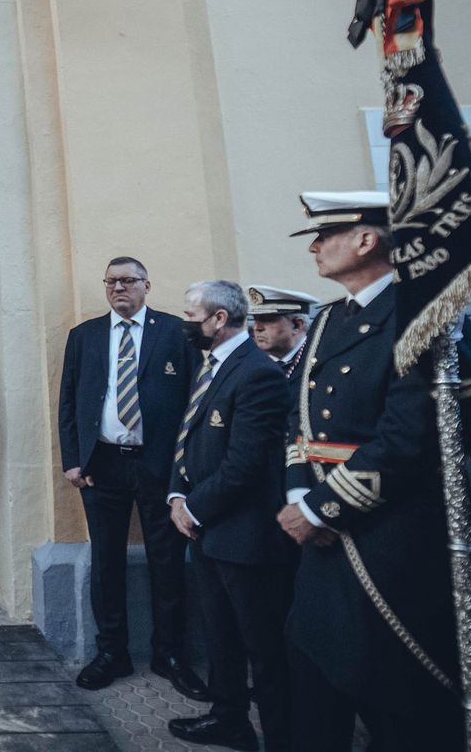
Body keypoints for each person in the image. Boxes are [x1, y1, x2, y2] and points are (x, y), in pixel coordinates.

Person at [277, 192, 461, 752]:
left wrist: (321, 508)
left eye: (323, 236)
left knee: (394, 693)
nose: (313, 247)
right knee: (313, 681)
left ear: (365, 239)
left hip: (386, 536)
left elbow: (407, 439)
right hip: (319, 532)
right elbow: (297, 419)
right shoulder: (330, 318)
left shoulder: (420, 310)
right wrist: (297, 494)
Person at [57, 255, 207, 698]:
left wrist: (185, 468)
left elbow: (196, 402)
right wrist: (72, 459)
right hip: (101, 466)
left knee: (167, 562)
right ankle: (111, 652)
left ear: (147, 285)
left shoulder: (177, 334)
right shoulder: (84, 336)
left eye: (128, 281)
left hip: (159, 465)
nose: (119, 288)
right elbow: (68, 402)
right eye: (111, 282)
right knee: (107, 562)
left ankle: (169, 653)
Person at [166, 281, 294, 752]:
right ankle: (229, 720)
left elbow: (245, 463)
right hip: (207, 532)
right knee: (221, 637)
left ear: (219, 319)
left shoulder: (256, 372)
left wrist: (194, 506)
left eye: (190, 316)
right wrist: (177, 496)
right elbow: (191, 440)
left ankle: (283, 737)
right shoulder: (212, 366)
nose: (185, 325)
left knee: (264, 646)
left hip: (246, 536)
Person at [246, 285, 319, 379]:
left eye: (268, 320)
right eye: (255, 319)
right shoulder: (253, 364)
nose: (257, 327)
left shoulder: (319, 361)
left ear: (297, 325)